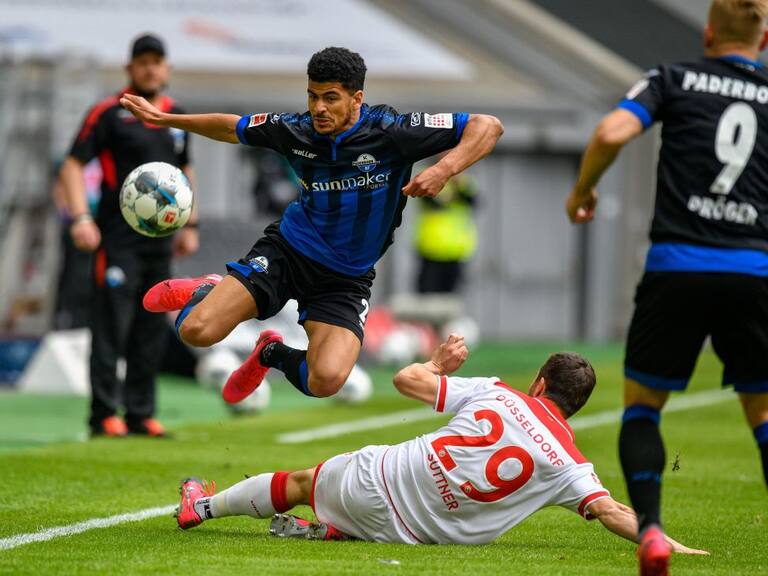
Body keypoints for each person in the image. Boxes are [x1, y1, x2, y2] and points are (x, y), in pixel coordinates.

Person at [119, 47, 503, 405]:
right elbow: (231, 128)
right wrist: (165, 119)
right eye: (312, 96)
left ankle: (269, 352)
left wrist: (443, 170)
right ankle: (209, 289)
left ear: (357, 99)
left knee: (327, 380)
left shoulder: (392, 131)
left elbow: (487, 126)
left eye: (330, 97)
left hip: (345, 278)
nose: (319, 108)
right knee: (196, 331)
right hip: (288, 252)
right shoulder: (295, 130)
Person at [172, 335, 706, 556]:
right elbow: (613, 512)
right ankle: (338, 529)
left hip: (378, 480)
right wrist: (665, 543)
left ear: (539, 384)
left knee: (299, 483)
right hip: (419, 538)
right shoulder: (571, 464)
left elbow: (406, 381)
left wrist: (438, 365)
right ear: (576, 407)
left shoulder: (499, 392)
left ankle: (203, 506)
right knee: (342, 500)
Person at [564, 0, 768, 573]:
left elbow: (611, 131)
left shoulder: (673, 78)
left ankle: (651, 531)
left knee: (644, 407)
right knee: (761, 412)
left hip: (676, 265)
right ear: (765, 36)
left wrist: (582, 190)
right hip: (753, 268)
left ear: (708, 32)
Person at [59, 33, 199, 437]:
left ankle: (140, 413)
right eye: (143, 61)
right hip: (115, 240)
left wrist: (191, 224)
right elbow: (72, 165)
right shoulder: (107, 113)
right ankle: (103, 414)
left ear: (167, 69)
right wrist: (81, 218)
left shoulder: (177, 118)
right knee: (111, 325)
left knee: (151, 326)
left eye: (157, 61)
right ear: (130, 68)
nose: (151, 68)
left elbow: (185, 174)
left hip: (159, 242)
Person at [414, 170, 478, 293]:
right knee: (427, 298)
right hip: (430, 251)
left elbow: (474, 200)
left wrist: (459, 184)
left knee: (450, 300)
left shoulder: (465, 182)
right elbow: (434, 202)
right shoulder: (429, 178)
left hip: (455, 252)